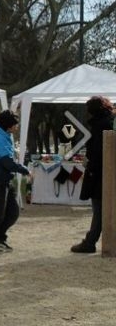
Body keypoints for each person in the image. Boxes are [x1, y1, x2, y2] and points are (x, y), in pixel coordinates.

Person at [70, 96, 116, 253]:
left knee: (99, 209)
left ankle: (90, 242)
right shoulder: (109, 121)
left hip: (101, 173)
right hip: (107, 170)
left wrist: (90, 169)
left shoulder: (100, 125)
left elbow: (97, 153)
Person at [0, 110, 30, 254]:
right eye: (15, 125)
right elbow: (7, 163)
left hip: (4, 179)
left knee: (12, 212)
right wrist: (25, 170)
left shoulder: (4, 136)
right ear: (9, 126)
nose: (16, 127)